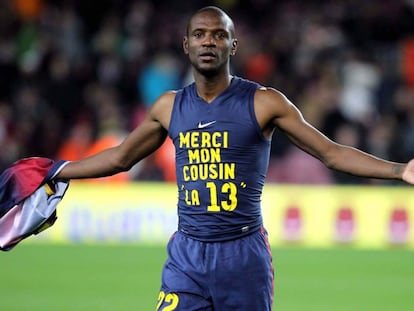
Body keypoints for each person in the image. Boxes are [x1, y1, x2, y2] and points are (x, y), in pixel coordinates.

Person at [53, 6, 414, 310]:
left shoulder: (264, 102)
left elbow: (331, 153)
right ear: (186, 44)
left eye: (219, 34)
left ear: (233, 45)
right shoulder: (169, 106)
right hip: (187, 256)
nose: (208, 41)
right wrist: (58, 170)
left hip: (243, 257)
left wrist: (400, 170)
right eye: (199, 34)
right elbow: (120, 158)